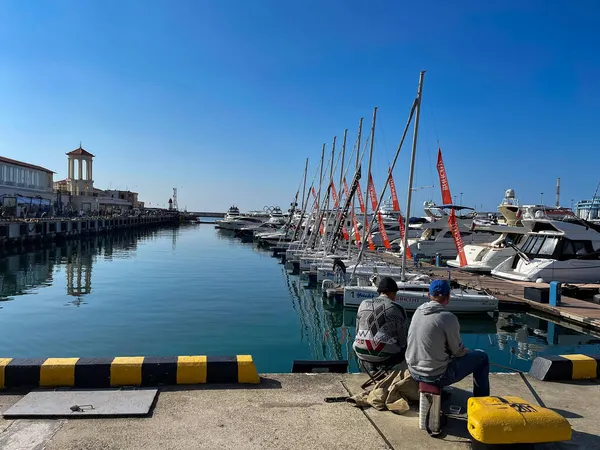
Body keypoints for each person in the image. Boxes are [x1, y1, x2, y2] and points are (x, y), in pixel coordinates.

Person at [405, 279, 490, 397]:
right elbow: (458, 351)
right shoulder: (448, 318)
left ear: (429, 295)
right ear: (448, 297)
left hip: (413, 371)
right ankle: (481, 399)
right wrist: (468, 352)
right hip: (435, 376)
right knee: (482, 357)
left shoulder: (418, 311)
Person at [353, 276, 408, 369]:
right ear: (394, 293)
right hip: (385, 356)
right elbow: (402, 340)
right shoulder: (397, 308)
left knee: (366, 344)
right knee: (404, 348)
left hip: (359, 351)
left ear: (379, 292)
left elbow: (357, 330)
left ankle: (372, 369)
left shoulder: (363, 304)